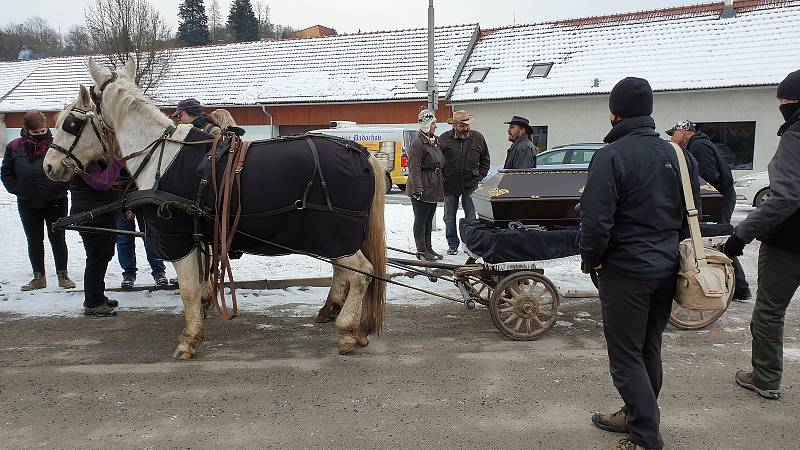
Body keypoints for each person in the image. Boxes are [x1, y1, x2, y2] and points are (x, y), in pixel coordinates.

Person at [580, 77, 700, 450]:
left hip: (625, 271)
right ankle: (636, 417)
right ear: (648, 112)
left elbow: (596, 222)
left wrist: (591, 261)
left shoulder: (610, 156)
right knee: (649, 347)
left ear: (614, 114)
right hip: (666, 268)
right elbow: (689, 213)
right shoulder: (680, 155)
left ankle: (646, 437)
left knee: (627, 357)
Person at [723, 69, 800, 401]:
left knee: (769, 311)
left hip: (789, 242)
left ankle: (766, 378)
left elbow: (785, 197)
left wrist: (743, 233)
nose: (780, 105)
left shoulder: (796, 135)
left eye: (783, 100)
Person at [667, 119, 751, 300]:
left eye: (673, 134)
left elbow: (708, 176)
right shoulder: (698, 144)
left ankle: (739, 287)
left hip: (718, 199)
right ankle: (738, 287)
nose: (672, 138)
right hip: (717, 197)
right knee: (714, 241)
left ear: (683, 132)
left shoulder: (699, 147)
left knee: (717, 241)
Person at [1, 112, 75, 291]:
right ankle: (38, 277)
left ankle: (63, 275)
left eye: (43, 130)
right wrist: (19, 190)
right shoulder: (14, 147)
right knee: (34, 240)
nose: (41, 134)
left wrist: (62, 187)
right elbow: (6, 173)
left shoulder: (57, 145)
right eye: (36, 132)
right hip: (27, 202)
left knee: (58, 238)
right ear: (26, 130)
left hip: (56, 200)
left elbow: (71, 170)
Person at [71, 155, 124, 316]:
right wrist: (118, 162)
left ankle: (98, 296)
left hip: (104, 214)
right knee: (96, 258)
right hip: (91, 217)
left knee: (104, 255)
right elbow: (101, 184)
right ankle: (93, 303)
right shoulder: (85, 160)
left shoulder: (99, 157)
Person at [438, 110, 490, 255]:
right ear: (454, 125)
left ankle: (470, 244)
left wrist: (480, 175)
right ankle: (452, 244)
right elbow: (438, 160)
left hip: (471, 184)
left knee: (471, 217)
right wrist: (442, 177)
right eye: (462, 126)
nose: (466, 128)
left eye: (467, 125)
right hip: (449, 184)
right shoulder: (444, 139)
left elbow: (485, 159)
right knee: (449, 217)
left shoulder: (478, 137)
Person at [407, 109, 445, 261]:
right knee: (421, 219)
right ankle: (421, 250)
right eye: (433, 123)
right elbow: (414, 167)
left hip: (432, 185)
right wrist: (418, 188)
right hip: (423, 185)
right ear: (426, 125)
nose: (435, 126)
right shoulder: (418, 143)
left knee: (429, 218)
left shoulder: (433, 141)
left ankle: (428, 248)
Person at [116, 205, 168, 289]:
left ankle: (159, 272)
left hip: (144, 199)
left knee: (151, 237)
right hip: (122, 199)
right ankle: (128, 274)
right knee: (124, 239)